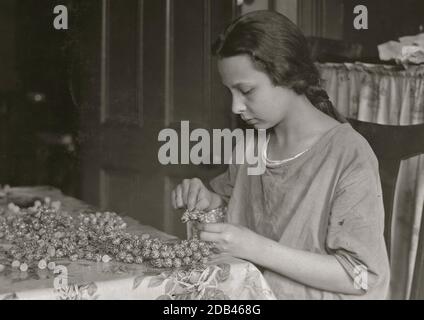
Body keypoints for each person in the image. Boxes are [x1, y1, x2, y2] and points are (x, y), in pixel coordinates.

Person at [171, 10, 390, 299]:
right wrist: (209, 200)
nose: (236, 106)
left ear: (287, 73)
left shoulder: (349, 155)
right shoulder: (251, 147)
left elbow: (361, 276)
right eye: (230, 93)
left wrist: (256, 248)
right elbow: (235, 209)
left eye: (246, 91)